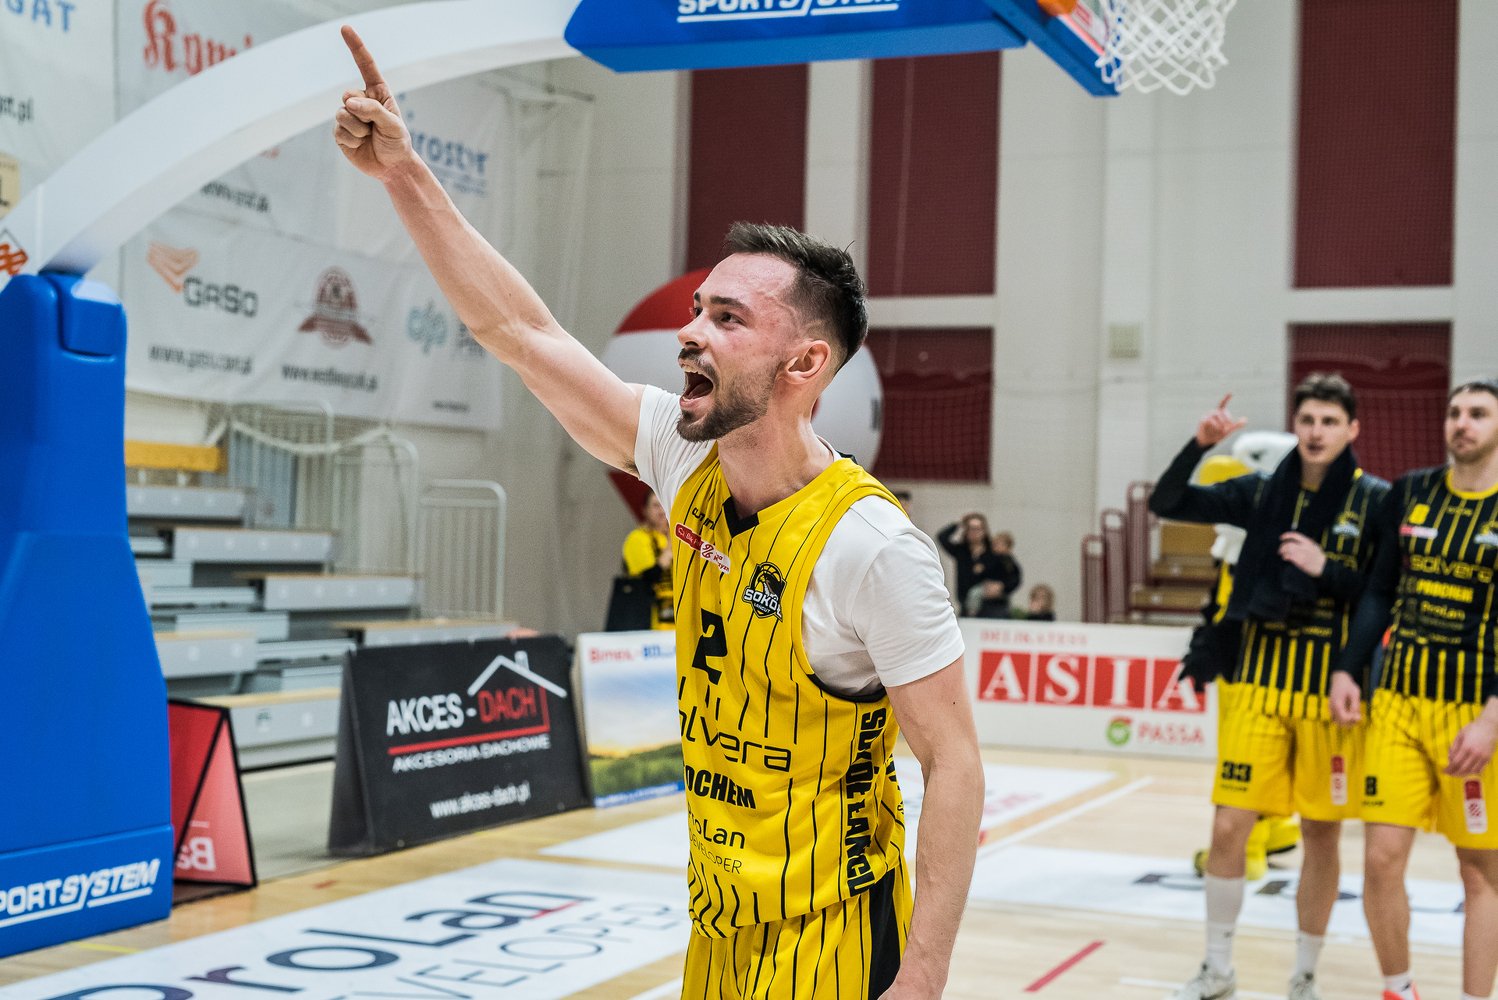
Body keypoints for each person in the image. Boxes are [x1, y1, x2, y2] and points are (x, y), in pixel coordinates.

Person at [332, 29, 984, 1000]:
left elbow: (954, 762)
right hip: (715, 925)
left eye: (727, 318)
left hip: (836, 937)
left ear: (805, 364)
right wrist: (404, 176)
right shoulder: (682, 458)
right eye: (698, 308)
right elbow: (519, 332)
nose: (688, 331)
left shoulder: (871, 546)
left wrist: (923, 974)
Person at [1148, 374, 1389, 1000]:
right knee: (1230, 828)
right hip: (1256, 684)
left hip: (1330, 694)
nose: (1316, 432)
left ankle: (1305, 975)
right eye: (1307, 420)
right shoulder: (1259, 490)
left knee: (1321, 834)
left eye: (1329, 422)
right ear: (1295, 425)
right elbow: (1168, 502)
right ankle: (1217, 969)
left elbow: (1382, 596)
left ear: (1352, 430)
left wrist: (1325, 568)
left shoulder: (1376, 500)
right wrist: (1199, 445)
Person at [1332, 380, 1498, 1000]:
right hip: (1398, 702)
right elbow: (1379, 590)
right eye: (1455, 412)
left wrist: (1492, 720)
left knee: (1479, 873)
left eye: (1478, 414)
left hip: (1475, 711)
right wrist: (1348, 667)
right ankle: (1398, 989)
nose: (1462, 423)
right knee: (1379, 860)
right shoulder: (1409, 492)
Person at [622, 491, 674, 630]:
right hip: (651, 623)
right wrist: (667, 553)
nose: (662, 511)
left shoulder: (681, 538)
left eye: (664, 505)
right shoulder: (638, 538)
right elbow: (644, 580)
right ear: (645, 510)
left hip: (683, 621)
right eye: (656, 506)